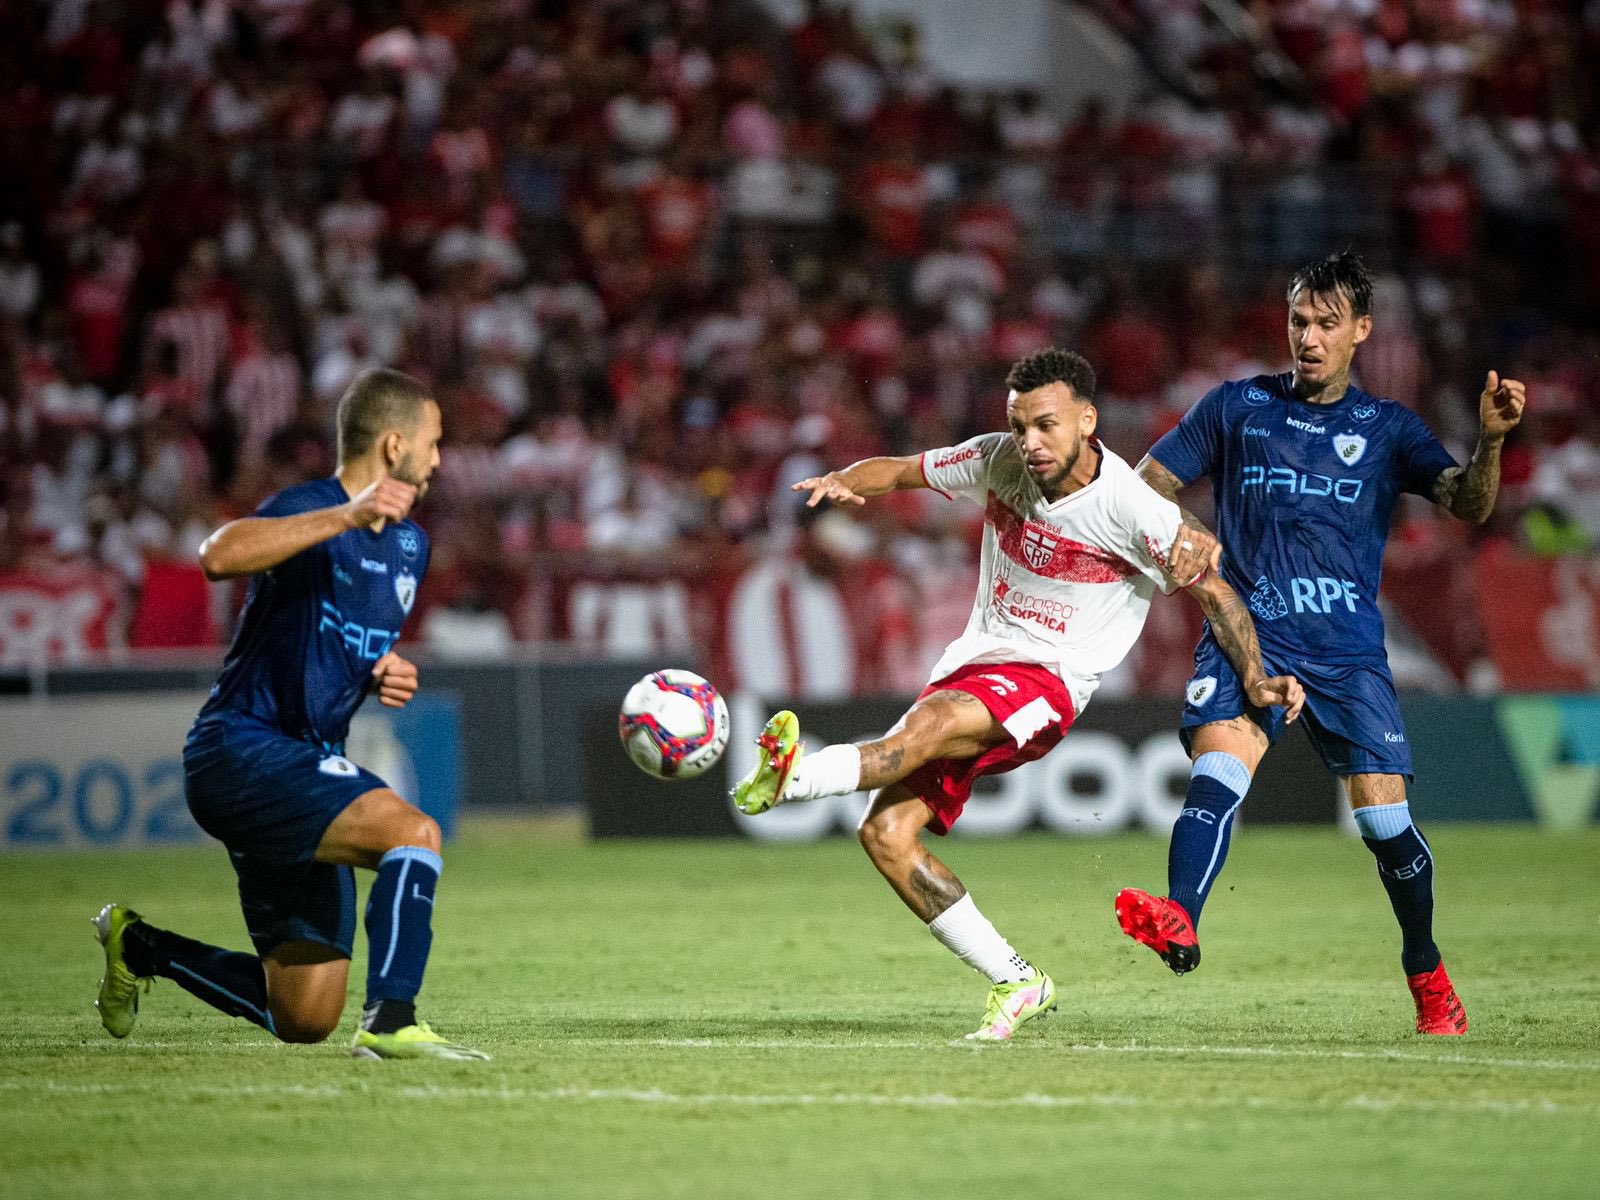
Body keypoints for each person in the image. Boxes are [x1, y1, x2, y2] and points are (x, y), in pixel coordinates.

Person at [732, 348, 1305, 1041]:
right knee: (885, 835)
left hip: (1049, 683)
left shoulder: (1131, 508)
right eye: (1019, 424)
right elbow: (904, 470)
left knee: (929, 727)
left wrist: (1254, 675)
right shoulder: (996, 458)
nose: (1029, 442)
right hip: (975, 662)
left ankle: (792, 780)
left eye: (1046, 425)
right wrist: (844, 480)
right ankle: (1017, 980)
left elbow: (1214, 593)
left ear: (1087, 422)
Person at [1114, 251, 1526, 1036]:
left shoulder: (1389, 428)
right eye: (1299, 320)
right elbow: (1144, 487)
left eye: (1326, 324)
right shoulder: (1237, 407)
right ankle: (1182, 917)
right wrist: (1188, 536)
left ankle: (1426, 970)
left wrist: (1493, 442)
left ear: (1361, 332)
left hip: (1347, 653)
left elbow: (1466, 504)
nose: (1308, 336)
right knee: (1218, 770)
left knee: (1382, 825)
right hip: (1250, 632)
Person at [92, 367, 487, 1061]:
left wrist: (375, 671)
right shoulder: (311, 507)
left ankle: (139, 945)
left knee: (304, 1015)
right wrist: (343, 515)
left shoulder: (408, 547)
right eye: (433, 441)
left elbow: (326, 643)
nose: (439, 458)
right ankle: (393, 1019)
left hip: (300, 766)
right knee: (413, 834)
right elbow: (218, 555)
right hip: (241, 750)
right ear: (394, 446)